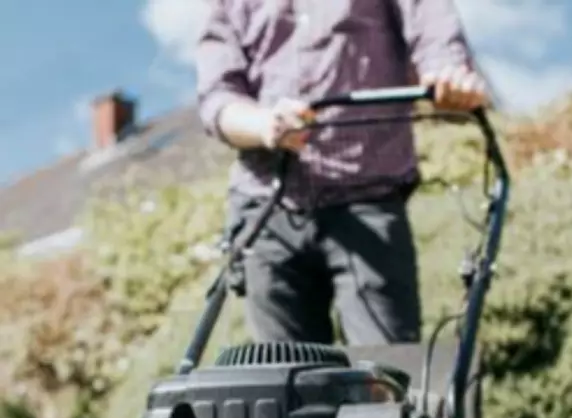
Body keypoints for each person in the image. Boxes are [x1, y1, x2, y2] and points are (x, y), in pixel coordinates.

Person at [195, 0, 487, 346]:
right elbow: (217, 97)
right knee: (283, 383)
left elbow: (433, 32)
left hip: (369, 200)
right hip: (266, 210)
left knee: (385, 377)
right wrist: (264, 124)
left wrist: (448, 73)